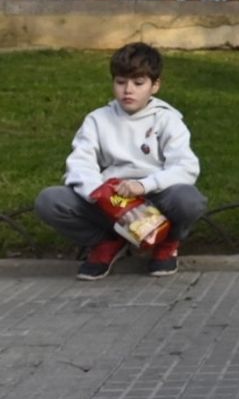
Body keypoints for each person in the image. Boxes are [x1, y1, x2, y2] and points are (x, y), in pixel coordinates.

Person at [35, 42, 207, 280]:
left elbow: (186, 167)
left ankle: (166, 243)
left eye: (138, 83)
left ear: (155, 85)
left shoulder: (168, 120)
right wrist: (102, 195)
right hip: (112, 199)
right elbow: (79, 163)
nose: (128, 90)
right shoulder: (97, 120)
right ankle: (106, 242)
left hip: (153, 196)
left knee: (188, 200)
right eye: (120, 82)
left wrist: (144, 185)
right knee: (50, 200)